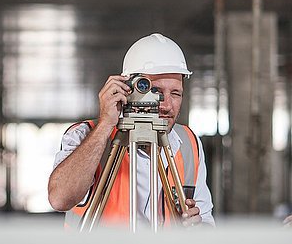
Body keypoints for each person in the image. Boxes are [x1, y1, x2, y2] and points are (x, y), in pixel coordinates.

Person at [48, 33, 215, 229]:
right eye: (157, 92)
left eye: (175, 93)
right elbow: (60, 200)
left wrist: (195, 227)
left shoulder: (188, 144)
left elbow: (206, 225)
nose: (167, 105)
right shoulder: (84, 135)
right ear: (129, 88)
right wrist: (105, 124)